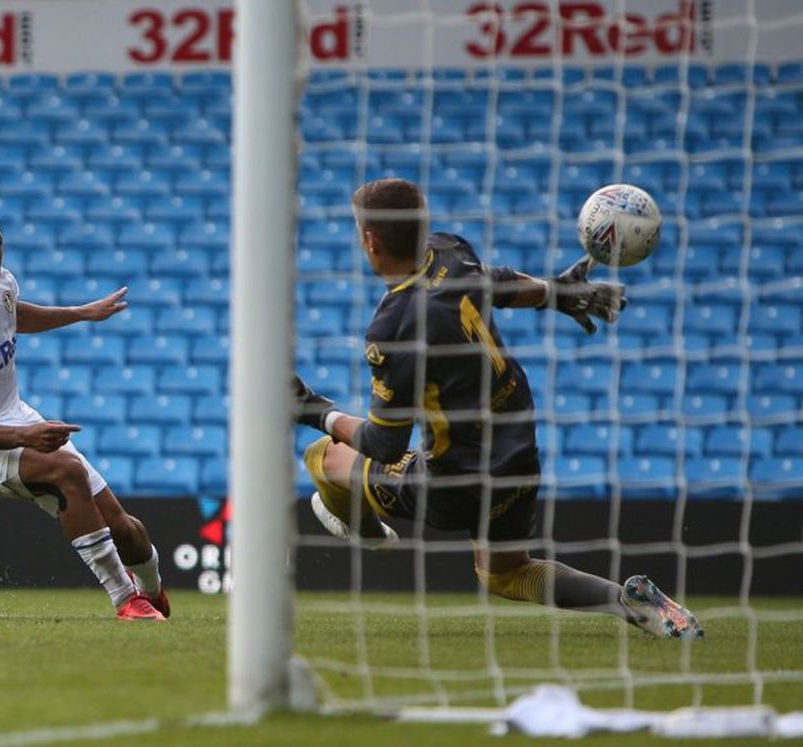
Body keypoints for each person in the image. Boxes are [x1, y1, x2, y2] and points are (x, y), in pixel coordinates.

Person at [294, 179, 703, 640]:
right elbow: (498, 282)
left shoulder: (394, 327)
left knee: (321, 457)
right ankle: (630, 603)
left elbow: (385, 445)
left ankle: (370, 535)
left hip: (455, 478)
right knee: (505, 573)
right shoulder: (448, 250)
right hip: (515, 444)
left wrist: (314, 408)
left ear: (370, 241)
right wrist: (556, 293)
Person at [0, 204, 168, 622]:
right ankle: (126, 600)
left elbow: (13, 315)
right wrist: (26, 437)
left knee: (124, 528)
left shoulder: (2, 285)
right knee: (66, 472)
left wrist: (81, 312)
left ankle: (154, 593)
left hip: (17, 418)